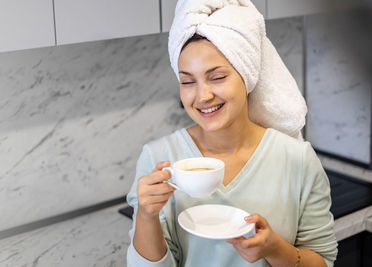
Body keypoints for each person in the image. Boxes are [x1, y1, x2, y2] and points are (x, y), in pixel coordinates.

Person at [126, 1, 338, 266]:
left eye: (217, 77)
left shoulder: (298, 160)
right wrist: (147, 215)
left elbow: (323, 260)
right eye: (188, 81)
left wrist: (274, 248)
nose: (203, 96)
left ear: (247, 75)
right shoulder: (159, 159)